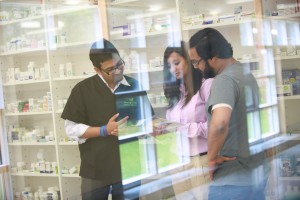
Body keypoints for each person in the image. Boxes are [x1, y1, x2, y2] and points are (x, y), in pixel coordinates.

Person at [61, 39, 152, 200]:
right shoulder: (83, 90)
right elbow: (71, 128)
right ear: (97, 69)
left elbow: (147, 120)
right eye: (110, 69)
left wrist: (134, 129)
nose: (117, 71)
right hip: (95, 169)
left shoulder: (134, 85)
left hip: (129, 166)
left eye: (119, 64)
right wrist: (104, 130)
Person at [189, 28, 269, 200]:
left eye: (197, 62)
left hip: (232, 182)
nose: (197, 68)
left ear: (213, 56)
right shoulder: (245, 73)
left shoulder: (224, 80)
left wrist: (211, 159)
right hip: (255, 173)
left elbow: (219, 123)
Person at [163, 41, 214, 200]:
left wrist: (184, 128)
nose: (173, 69)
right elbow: (174, 126)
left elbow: (215, 126)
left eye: (177, 63)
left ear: (190, 60)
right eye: (169, 65)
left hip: (201, 160)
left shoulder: (206, 85)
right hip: (178, 161)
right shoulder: (175, 93)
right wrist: (163, 128)